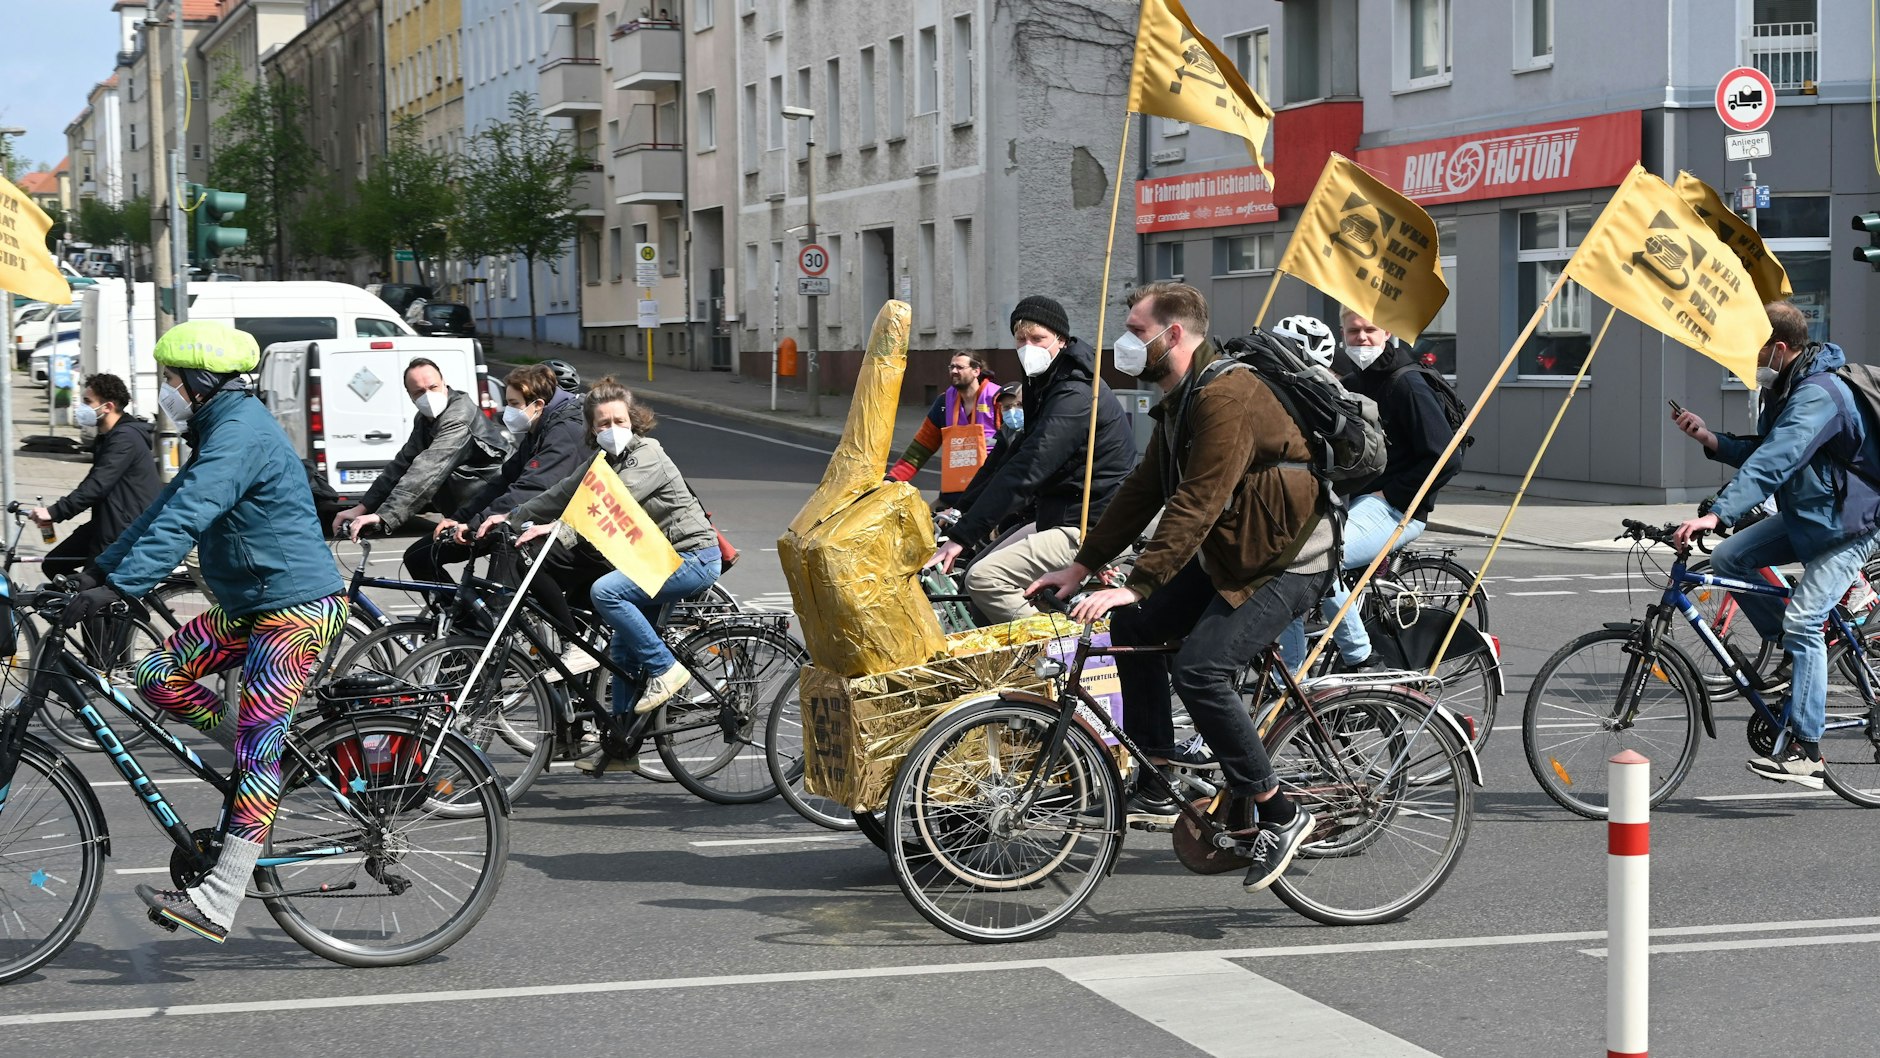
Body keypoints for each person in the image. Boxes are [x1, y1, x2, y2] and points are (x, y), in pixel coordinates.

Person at [1029, 281, 1333, 894]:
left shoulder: (1228, 396)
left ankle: (1280, 810)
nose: (1125, 343)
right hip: (1235, 552)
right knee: (1134, 629)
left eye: (1136, 331)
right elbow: (1143, 489)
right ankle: (1156, 765)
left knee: (1199, 670)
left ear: (1174, 335)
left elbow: (1199, 501)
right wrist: (1083, 566)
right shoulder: (1182, 396)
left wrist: (1137, 583)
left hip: (1288, 559)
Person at [61, 320, 348, 943]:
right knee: (157, 674)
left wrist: (125, 587)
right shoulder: (219, 427)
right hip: (255, 603)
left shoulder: (239, 433)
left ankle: (219, 897)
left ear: (198, 381)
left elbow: (191, 515)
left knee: (255, 752)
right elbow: (165, 506)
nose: (166, 391)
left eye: (170, 380)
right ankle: (268, 759)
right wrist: (97, 572)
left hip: (296, 608)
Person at [1671, 301, 1880, 787]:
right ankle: (1790, 648)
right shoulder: (1785, 389)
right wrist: (1712, 438)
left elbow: (1775, 463)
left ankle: (1807, 752)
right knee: (1729, 556)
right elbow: (1763, 451)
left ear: (1780, 348)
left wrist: (1716, 514)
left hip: (1852, 523)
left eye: (1755, 349)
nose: (1749, 359)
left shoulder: (1819, 394)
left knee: (1806, 618)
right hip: (1811, 515)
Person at [484, 378, 722, 773]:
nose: (612, 429)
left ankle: (666, 669)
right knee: (623, 655)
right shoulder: (602, 462)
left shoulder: (649, 454)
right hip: (654, 560)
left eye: (619, 420)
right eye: (602, 423)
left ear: (634, 421)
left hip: (691, 558)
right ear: (591, 430)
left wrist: (556, 530)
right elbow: (561, 493)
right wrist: (509, 517)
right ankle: (621, 749)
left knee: (606, 592)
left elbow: (611, 506)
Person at [932, 295, 1137, 622]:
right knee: (973, 574)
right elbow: (1007, 457)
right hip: (1057, 516)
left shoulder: (1076, 392)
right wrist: (959, 510)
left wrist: (962, 536)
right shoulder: (1045, 382)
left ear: (1061, 339)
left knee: (984, 579)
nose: (1028, 346)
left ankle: (1053, 659)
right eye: (1021, 339)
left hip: (1090, 524)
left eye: (1038, 338)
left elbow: (1030, 465)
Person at [1286, 308, 1462, 670]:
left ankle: (1358, 658)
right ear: (1342, 333)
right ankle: (1288, 668)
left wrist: (1393, 494)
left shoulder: (1406, 383)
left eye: (1370, 330)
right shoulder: (1352, 378)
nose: (1362, 338)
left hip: (1397, 508)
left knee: (1313, 558)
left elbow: (1448, 457)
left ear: (1387, 331)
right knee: (1277, 551)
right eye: (1354, 332)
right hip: (1356, 500)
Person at [421, 364, 588, 621]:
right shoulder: (540, 428)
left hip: (575, 531)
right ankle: (467, 633)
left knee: (508, 555)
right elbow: (504, 480)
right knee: (421, 555)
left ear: (539, 405)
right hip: (539, 519)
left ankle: (496, 638)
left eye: (513, 403)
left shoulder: (563, 431)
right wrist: (462, 517)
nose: (507, 411)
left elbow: (531, 488)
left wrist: (477, 523)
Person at [331, 358, 507, 543]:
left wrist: (384, 516)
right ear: (410, 396)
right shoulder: (425, 419)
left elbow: (427, 470)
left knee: (426, 560)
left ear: (444, 383)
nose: (428, 396)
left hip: (494, 508)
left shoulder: (459, 418)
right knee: (418, 560)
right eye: (420, 392)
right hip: (466, 512)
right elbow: (402, 465)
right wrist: (360, 509)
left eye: (433, 387)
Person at [33, 373, 160, 578]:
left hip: (123, 527)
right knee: (53, 565)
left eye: (87, 402)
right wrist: (55, 511)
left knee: (88, 587)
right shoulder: (108, 437)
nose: (80, 408)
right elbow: (93, 483)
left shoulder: (125, 439)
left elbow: (97, 485)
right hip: (107, 521)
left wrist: (55, 512)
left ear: (107, 407)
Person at [885, 352, 1002, 507]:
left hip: (988, 495)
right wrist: (892, 479)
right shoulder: (944, 402)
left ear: (976, 371)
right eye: (951, 367)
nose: (954, 371)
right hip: (952, 496)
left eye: (960, 367)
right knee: (924, 526)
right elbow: (921, 448)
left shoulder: (998, 398)